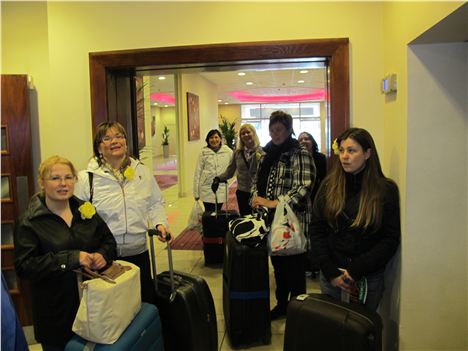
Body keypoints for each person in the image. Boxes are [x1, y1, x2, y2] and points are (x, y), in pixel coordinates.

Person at [14, 156, 117, 350]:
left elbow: (109, 241)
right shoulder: (29, 221)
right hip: (55, 313)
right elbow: (24, 266)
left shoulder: (85, 210)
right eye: (55, 178)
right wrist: (71, 258)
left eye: (68, 177)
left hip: (93, 307)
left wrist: (103, 254)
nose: (63, 183)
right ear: (42, 183)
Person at [74, 121, 170, 305]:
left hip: (138, 250)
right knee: (114, 308)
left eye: (119, 136)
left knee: (142, 302)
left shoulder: (141, 171)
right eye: (107, 138)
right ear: (99, 147)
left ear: (126, 142)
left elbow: (155, 202)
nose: (115, 141)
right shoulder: (87, 178)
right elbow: (77, 219)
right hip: (105, 255)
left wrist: (160, 224)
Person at [310, 127, 400, 311]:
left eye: (352, 151)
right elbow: (316, 230)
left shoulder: (385, 189)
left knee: (361, 333)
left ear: (367, 154)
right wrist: (329, 270)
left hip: (367, 279)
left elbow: (390, 239)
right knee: (333, 331)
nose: (344, 156)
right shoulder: (329, 185)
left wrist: (357, 269)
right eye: (341, 150)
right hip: (332, 277)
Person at [251, 111, 315, 320]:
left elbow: (304, 187)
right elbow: (257, 180)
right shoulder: (267, 153)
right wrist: (255, 196)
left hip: (292, 222)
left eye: (279, 129)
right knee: (278, 268)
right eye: (271, 129)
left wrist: (274, 202)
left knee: (295, 271)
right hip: (272, 222)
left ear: (288, 130)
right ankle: (281, 305)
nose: (275, 133)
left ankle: (299, 311)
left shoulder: (299, 152)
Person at [214, 124, 264, 215]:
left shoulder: (262, 151)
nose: (245, 135)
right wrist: (218, 178)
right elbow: (230, 171)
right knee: (245, 218)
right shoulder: (237, 153)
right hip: (242, 192)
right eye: (242, 133)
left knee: (258, 218)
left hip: (259, 192)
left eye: (248, 132)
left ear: (254, 133)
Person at [193, 129, 233, 212]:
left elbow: (234, 165)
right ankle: (208, 225)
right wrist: (196, 193)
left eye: (216, 137)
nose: (214, 140)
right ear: (207, 140)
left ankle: (215, 225)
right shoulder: (203, 152)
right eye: (211, 137)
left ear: (220, 139)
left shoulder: (227, 151)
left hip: (221, 187)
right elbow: (198, 172)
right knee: (208, 212)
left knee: (218, 211)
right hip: (206, 187)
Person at [298, 132, 327, 202]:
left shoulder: (321, 158)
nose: (303, 141)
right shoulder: (296, 159)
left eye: (306, 139)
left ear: (312, 142)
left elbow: (324, 178)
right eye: (300, 140)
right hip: (299, 194)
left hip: (317, 194)